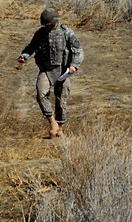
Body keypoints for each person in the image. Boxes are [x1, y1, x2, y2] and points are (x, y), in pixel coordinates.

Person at [17, 8, 84, 138]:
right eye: (45, 25)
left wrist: (74, 65)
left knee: (61, 101)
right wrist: (24, 55)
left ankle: (60, 128)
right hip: (46, 70)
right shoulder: (40, 33)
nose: (47, 27)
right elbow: (31, 47)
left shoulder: (67, 32)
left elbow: (78, 50)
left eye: (49, 25)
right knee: (41, 94)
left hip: (63, 71)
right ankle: (52, 122)